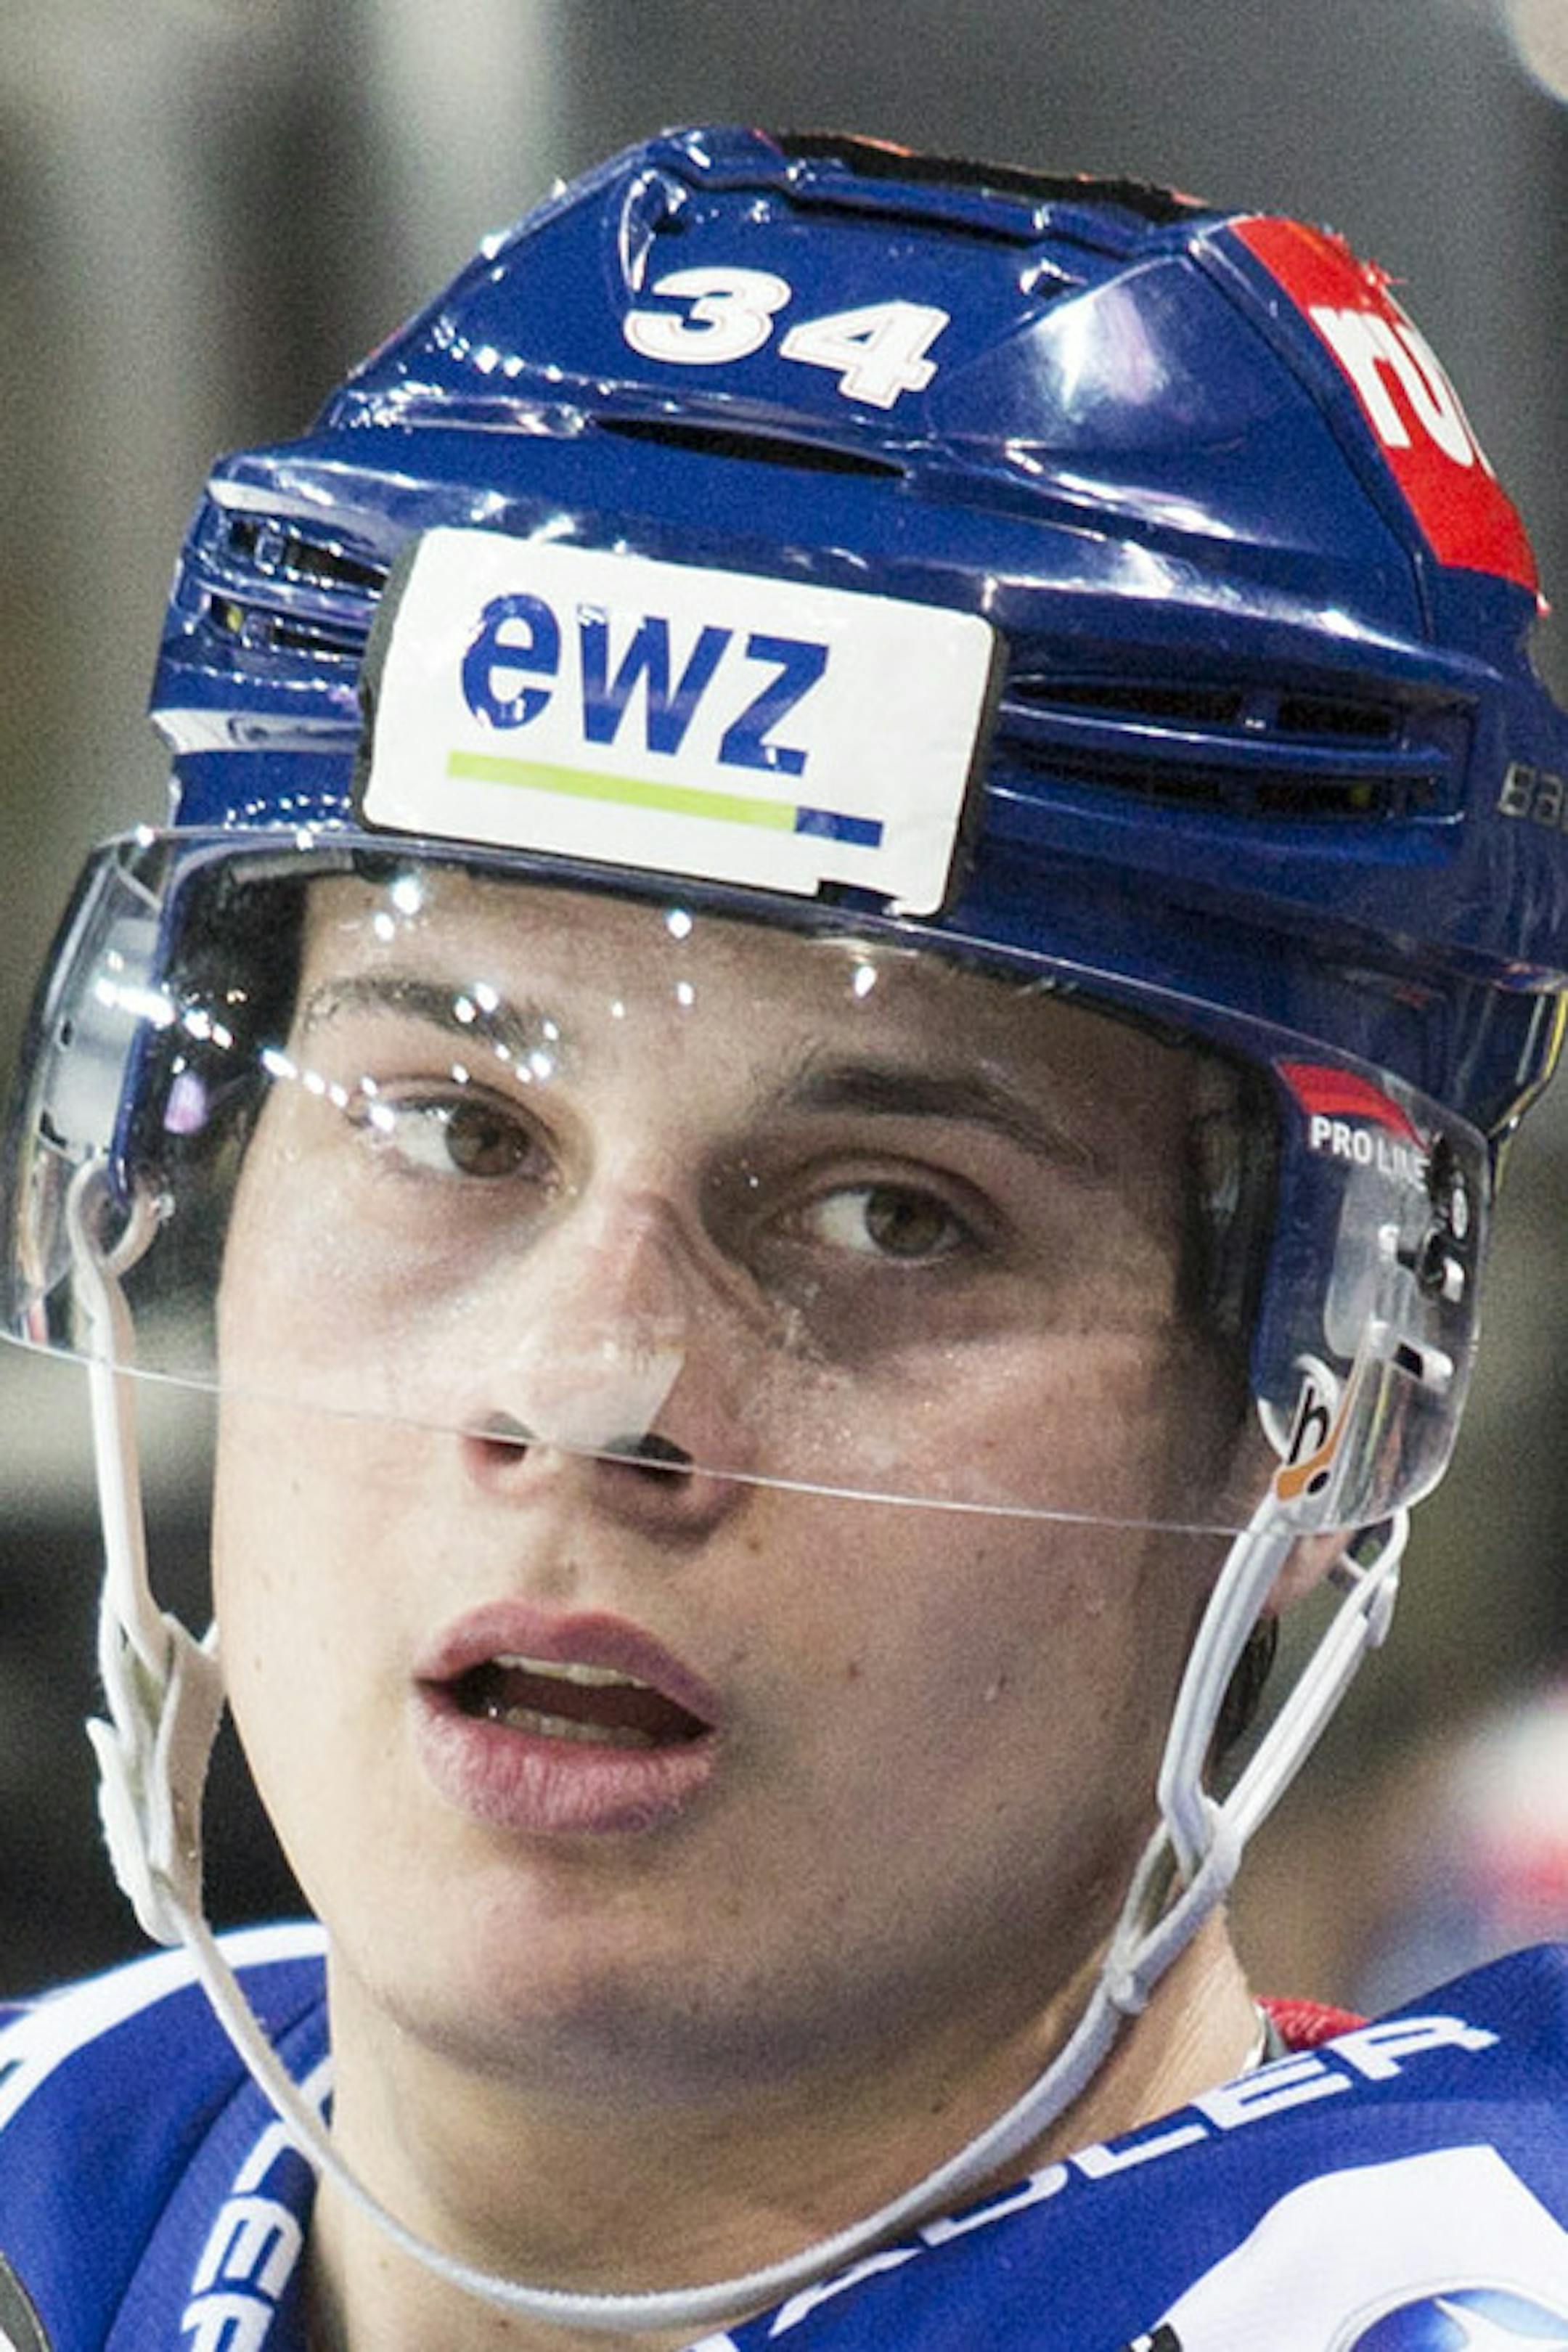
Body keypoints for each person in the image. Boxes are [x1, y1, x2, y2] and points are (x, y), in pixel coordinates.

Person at [2, 123, 1568, 2352]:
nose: (583, 1391)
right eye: (454, 1128)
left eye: (891, 1215)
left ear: (1327, 1413)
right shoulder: (60, 2167)